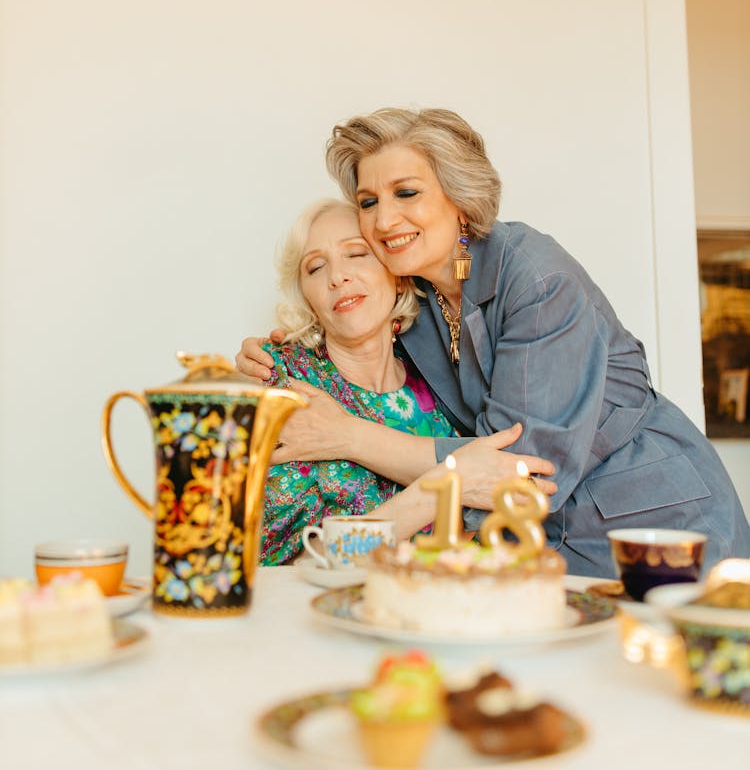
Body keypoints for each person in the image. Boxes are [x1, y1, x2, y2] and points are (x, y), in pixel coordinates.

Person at [241, 108, 750, 577]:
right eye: (369, 202)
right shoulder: (417, 297)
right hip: (535, 551)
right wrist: (281, 352)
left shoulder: (537, 281)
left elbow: (515, 471)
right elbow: (304, 555)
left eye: (407, 193)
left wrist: (349, 437)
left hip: (660, 525)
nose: (383, 220)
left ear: (459, 199)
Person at [259, 196, 556, 564]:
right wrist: (445, 488)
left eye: (357, 254)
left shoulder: (442, 382)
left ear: (397, 276)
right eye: (316, 267)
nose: (337, 277)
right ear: (307, 298)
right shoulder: (290, 387)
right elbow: (301, 564)